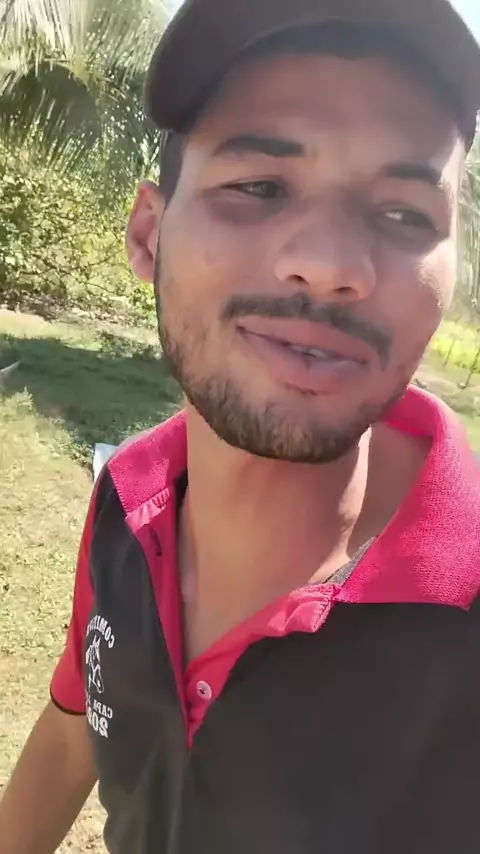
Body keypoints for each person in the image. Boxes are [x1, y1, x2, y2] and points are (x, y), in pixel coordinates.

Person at [1, 1, 480, 852]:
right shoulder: (129, 500)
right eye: (259, 187)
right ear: (149, 235)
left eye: (404, 213)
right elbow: (77, 726)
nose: (330, 266)